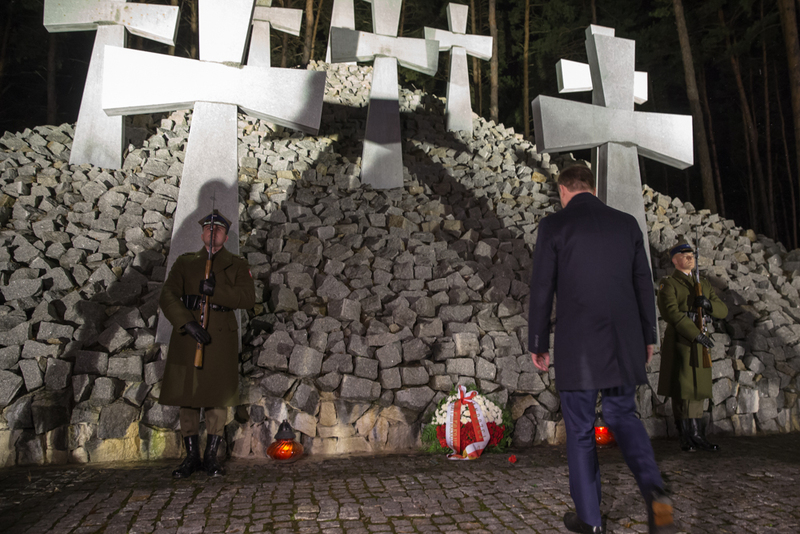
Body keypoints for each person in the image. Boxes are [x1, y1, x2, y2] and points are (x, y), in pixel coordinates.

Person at [528, 165, 676, 534]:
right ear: (593, 189)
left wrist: (538, 342)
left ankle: (591, 521)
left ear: (564, 190)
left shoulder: (554, 226)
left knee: (580, 429)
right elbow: (643, 283)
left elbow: (542, 286)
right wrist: (648, 336)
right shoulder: (626, 224)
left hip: (578, 346)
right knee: (623, 415)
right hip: (623, 342)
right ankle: (654, 491)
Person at [159, 210, 255, 478]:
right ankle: (191, 457)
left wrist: (217, 292)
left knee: (216, 397)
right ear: (202, 234)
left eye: (219, 230)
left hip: (219, 338)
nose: (213, 233)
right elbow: (167, 295)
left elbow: (247, 298)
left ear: (226, 236)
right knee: (188, 396)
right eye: (209, 229)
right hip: (189, 335)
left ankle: (211, 457)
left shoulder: (237, 264)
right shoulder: (185, 263)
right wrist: (186, 323)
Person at [656, 242, 728, 452]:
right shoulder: (668, 284)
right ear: (674, 260)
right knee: (684, 390)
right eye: (684, 254)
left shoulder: (702, 284)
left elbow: (722, 310)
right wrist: (695, 334)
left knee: (698, 389)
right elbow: (671, 313)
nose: (689, 257)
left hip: (700, 340)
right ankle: (686, 436)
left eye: (691, 254)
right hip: (682, 340)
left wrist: (708, 304)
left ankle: (697, 434)